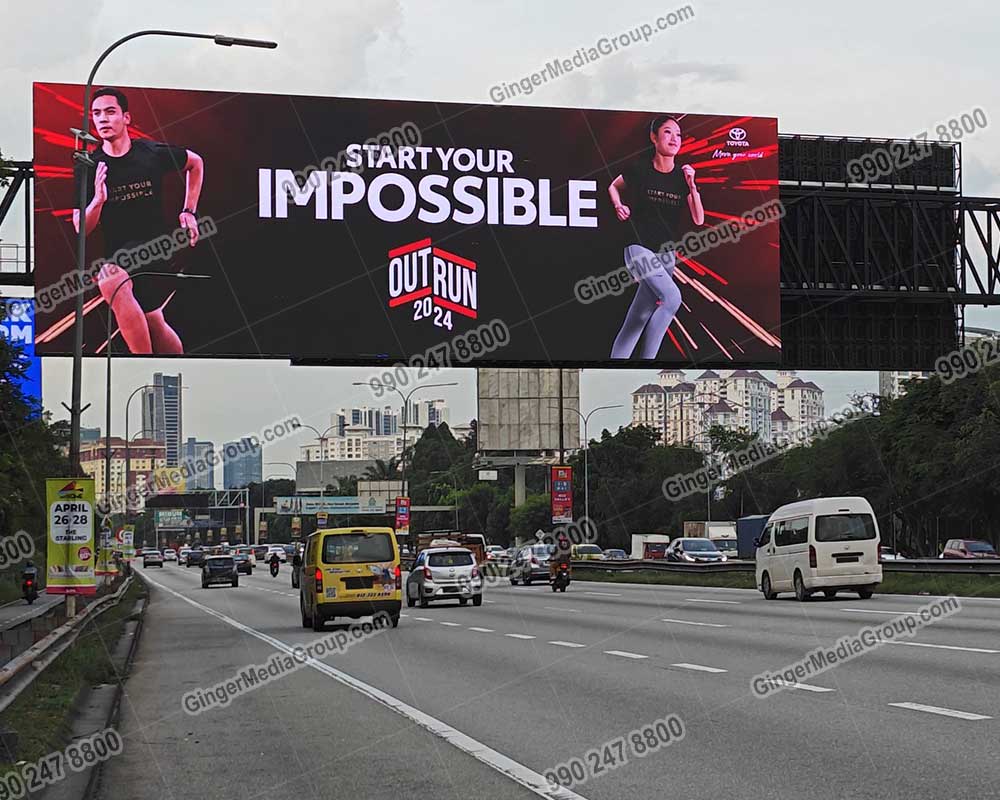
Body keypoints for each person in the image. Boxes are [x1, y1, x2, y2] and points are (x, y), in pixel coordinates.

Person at [73, 87, 205, 355]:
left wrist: (189, 211)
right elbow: (81, 229)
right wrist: (97, 201)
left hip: (154, 248)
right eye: (97, 114)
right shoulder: (89, 165)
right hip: (119, 254)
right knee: (154, 321)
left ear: (126, 118)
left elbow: (196, 163)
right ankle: (177, 364)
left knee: (108, 278)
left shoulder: (150, 153)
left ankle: (141, 365)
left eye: (110, 112)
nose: (103, 119)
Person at [609, 115, 705, 359]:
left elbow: (699, 219)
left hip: (667, 253)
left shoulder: (682, 178)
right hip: (639, 247)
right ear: (654, 137)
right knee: (672, 298)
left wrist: (692, 185)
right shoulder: (640, 168)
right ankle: (647, 363)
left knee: (639, 317)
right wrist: (619, 205)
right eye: (667, 132)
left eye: (678, 134)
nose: (674, 138)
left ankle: (617, 361)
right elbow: (613, 186)